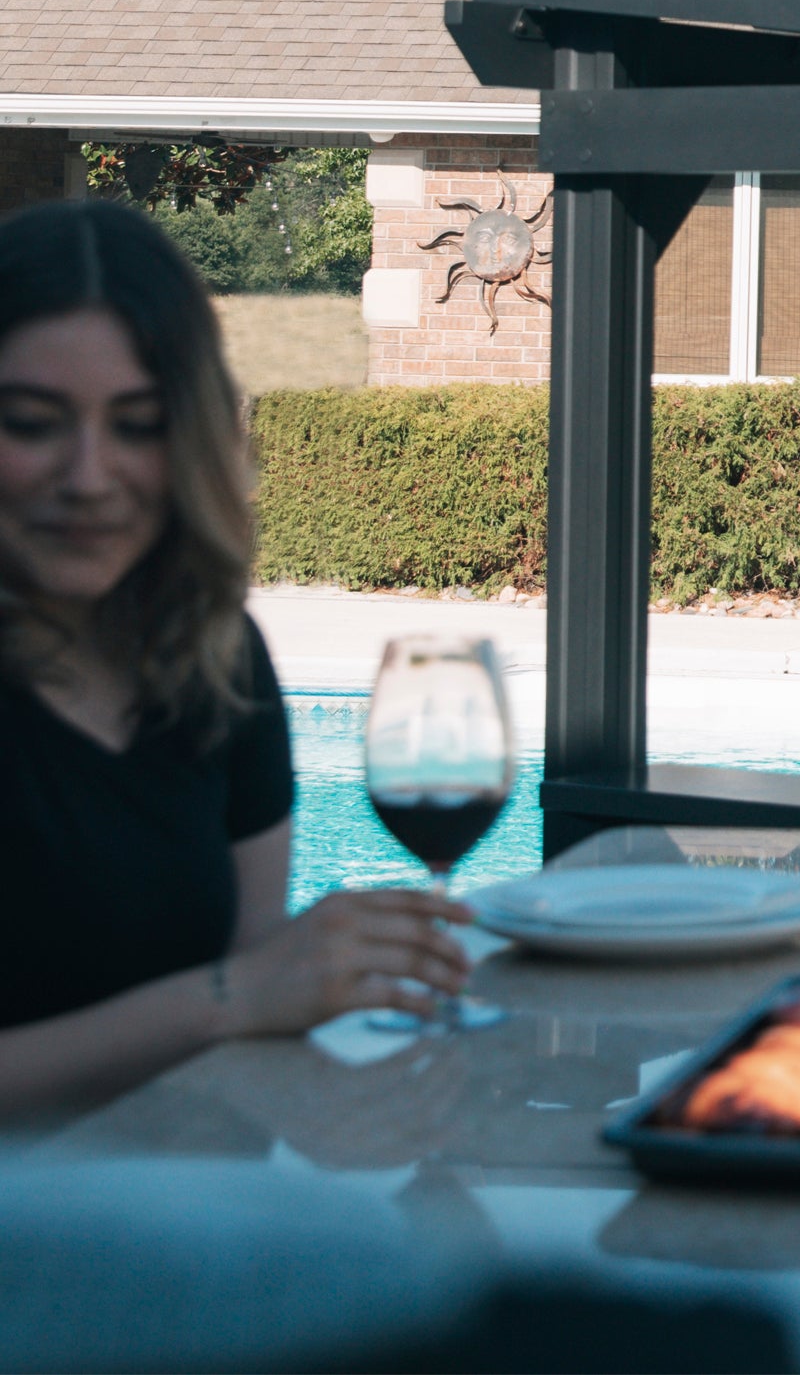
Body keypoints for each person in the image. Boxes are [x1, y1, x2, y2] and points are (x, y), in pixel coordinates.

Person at [0, 200, 471, 1124]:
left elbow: (249, 988)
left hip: (193, 1216)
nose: (91, 473)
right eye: (32, 421)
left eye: (138, 424)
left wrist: (345, 1110)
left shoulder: (216, 656)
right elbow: (237, 993)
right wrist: (237, 998)